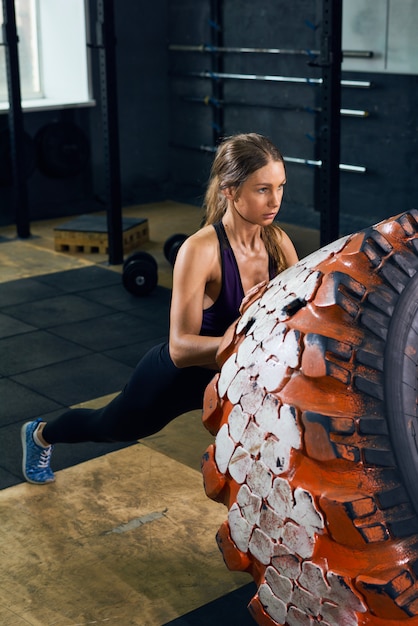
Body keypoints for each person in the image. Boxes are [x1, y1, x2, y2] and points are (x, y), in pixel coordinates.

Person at [21, 132, 299, 484]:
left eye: (281, 187)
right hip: (177, 379)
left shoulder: (278, 243)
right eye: (263, 189)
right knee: (110, 426)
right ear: (229, 189)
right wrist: (241, 342)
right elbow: (180, 348)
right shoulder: (201, 251)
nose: (275, 200)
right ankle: (41, 434)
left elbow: (298, 317)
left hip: (236, 378)